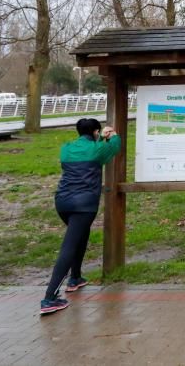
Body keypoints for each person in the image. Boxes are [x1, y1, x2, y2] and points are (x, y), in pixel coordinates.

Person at [40, 117, 121, 315]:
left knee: (80, 237)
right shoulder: (97, 150)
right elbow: (115, 146)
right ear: (95, 132)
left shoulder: (66, 148)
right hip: (84, 205)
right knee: (69, 246)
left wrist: (99, 139)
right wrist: (111, 135)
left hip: (62, 202)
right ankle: (49, 298)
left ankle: (75, 278)